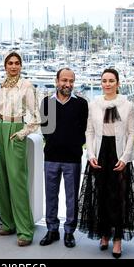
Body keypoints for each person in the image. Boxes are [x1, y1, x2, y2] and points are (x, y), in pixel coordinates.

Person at [77, 68, 134, 258]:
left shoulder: (127, 105)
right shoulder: (94, 104)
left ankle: (118, 240)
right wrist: (89, 154)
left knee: (119, 198)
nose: (107, 84)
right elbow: (89, 131)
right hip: (99, 153)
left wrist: (125, 157)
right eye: (104, 80)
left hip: (118, 153)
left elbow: (132, 133)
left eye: (111, 80)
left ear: (118, 83)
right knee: (101, 195)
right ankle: (104, 234)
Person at [0, 51, 41, 247]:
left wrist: (20, 134)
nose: (13, 66)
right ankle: (8, 223)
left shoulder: (26, 86)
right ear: (5, 66)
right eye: (10, 63)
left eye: (16, 63)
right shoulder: (3, 84)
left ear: (21, 65)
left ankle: (25, 231)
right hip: (0, 129)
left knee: (17, 182)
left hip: (14, 130)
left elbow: (36, 117)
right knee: (1, 179)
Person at [39, 68, 88, 248]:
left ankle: (69, 232)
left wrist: (75, 144)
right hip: (51, 156)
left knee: (71, 197)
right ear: (57, 81)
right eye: (64, 80)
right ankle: (52, 229)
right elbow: (44, 129)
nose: (67, 84)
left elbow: (84, 129)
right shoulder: (46, 102)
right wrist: (53, 141)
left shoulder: (81, 104)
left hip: (72, 158)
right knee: (51, 195)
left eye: (71, 81)